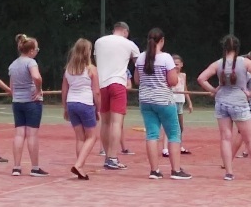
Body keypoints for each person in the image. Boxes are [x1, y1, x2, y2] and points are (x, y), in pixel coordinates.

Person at [197, 35, 251, 181]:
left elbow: (201, 78)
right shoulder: (245, 62)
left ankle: (229, 173)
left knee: (225, 138)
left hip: (221, 102)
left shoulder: (218, 63)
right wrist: (250, 93)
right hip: (239, 102)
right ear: (237, 48)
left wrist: (214, 90)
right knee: (250, 139)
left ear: (224, 47)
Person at [134, 28, 192, 180]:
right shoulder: (166, 58)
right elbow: (172, 81)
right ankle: (176, 170)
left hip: (145, 100)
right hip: (164, 100)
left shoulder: (140, 58)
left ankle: (154, 170)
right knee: (174, 134)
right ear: (162, 40)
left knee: (152, 134)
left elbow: (137, 80)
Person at [94, 21, 140, 170]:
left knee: (105, 123)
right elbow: (139, 65)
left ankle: (108, 156)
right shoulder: (130, 44)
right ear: (125, 31)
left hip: (102, 84)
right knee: (116, 123)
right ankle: (112, 158)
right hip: (118, 83)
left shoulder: (99, 42)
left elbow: (98, 61)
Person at [62, 38, 101, 180]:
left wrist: (65, 107)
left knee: (80, 138)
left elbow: (64, 90)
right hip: (85, 103)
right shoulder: (91, 69)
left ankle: (80, 166)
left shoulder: (69, 69)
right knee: (92, 136)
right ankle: (79, 165)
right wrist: (98, 108)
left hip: (72, 103)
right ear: (87, 52)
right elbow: (96, 92)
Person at [9, 34, 47, 177]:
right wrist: (38, 90)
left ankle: (16, 167)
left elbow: (11, 86)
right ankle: (35, 168)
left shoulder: (13, 65)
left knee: (19, 134)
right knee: (32, 135)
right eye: (37, 49)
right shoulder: (31, 62)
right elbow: (36, 77)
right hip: (32, 102)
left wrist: (16, 95)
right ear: (31, 51)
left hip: (17, 102)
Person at [162, 54, 193, 157]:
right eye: (174, 64)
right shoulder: (169, 74)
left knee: (180, 126)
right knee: (169, 125)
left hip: (180, 102)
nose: (175, 66)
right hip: (171, 102)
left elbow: (185, 89)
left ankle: (179, 146)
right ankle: (165, 148)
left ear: (181, 65)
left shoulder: (183, 75)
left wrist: (190, 103)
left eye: (177, 64)